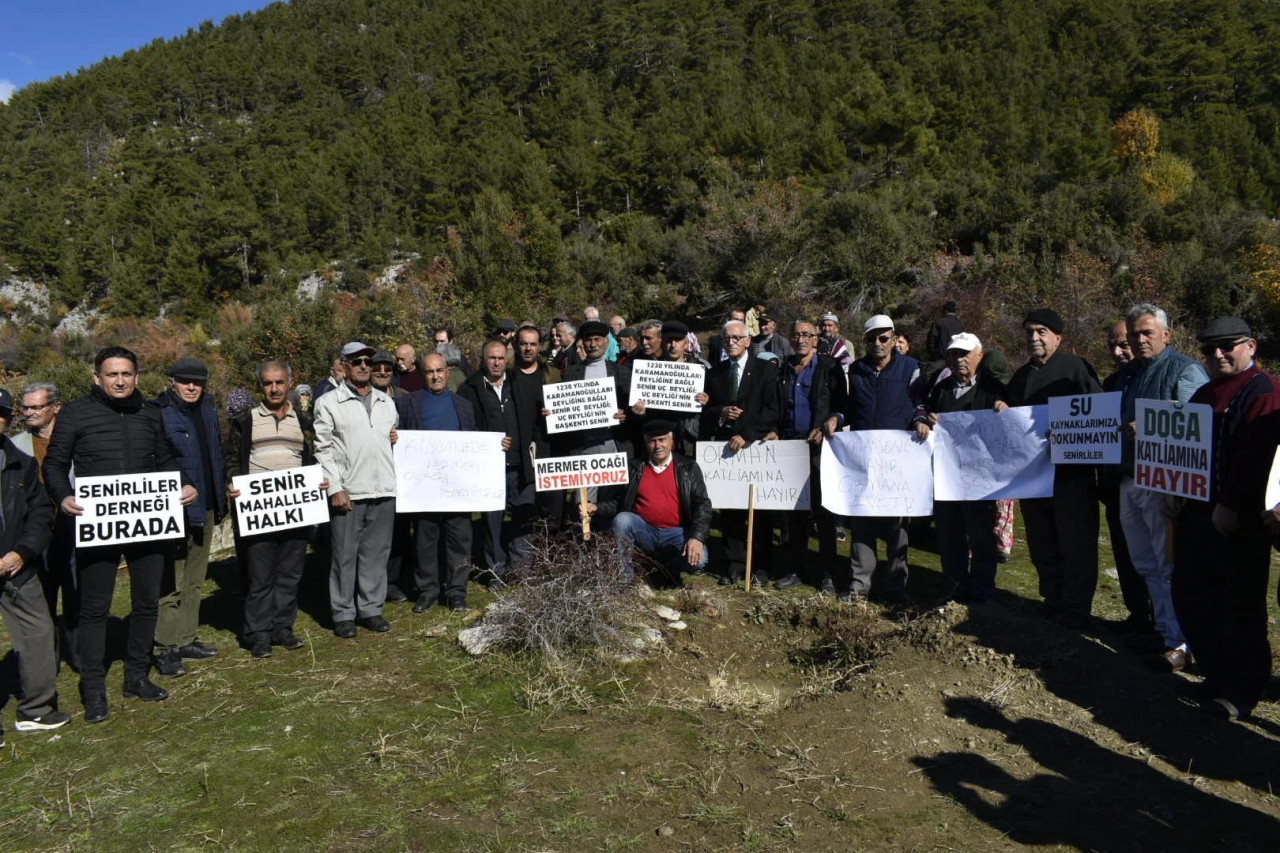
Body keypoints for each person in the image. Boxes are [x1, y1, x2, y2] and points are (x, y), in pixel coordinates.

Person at [44, 346, 198, 722]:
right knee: (94, 609)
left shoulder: (151, 413)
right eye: (111, 374)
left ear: (136, 377)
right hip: (98, 525)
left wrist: (185, 484)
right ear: (97, 378)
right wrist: (64, 497)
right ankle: (94, 689)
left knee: (147, 603)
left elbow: (164, 459)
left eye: (126, 374)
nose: (119, 380)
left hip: (147, 523)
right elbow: (55, 464)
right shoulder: (77, 413)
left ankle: (135, 676)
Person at [1180, 318, 1280, 720]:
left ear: (1250, 346)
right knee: (1195, 597)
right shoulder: (1204, 393)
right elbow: (1182, 447)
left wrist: (1233, 503)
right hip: (1197, 513)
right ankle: (1216, 675)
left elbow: (1259, 456)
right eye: (1209, 348)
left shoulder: (1264, 391)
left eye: (1227, 346)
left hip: (1239, 520)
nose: (1217, 354)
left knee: (1240, 605)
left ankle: (1242, 690)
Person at [1115, 303, 1208, 669]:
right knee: (1146, 562)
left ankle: (1182, 643)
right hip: (1129, 478)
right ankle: (1165, 631)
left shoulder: (1185, 370)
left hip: (1163, 484)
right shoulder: (1130, 374)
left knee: (1167, 563)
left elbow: (1197, 425)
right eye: (1135, 334)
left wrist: (1152, 428)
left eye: (1147, 333)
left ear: (1166, 334)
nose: (1140, 340)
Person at [1001, 308, 1103, 629]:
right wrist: (1002, 408)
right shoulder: (1019, 377)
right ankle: (1053, 598)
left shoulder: (1075, 369)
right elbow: (1009, 419)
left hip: (1072, 474)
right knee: (1042, 539)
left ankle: (1076, 608)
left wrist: (1073, 432)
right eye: (1030, 331)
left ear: (1058, 336)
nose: (1034, 337)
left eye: (1042, 331)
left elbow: (1099, 413)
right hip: (1033, 475)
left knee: (1075, 541)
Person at [226, 360, 322, 658]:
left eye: (279, 382)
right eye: (268, 383)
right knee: (260, 575)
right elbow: (230, 459)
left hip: (296, 510)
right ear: (261, 386)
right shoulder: (246, 421)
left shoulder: (304, 421)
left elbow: (313, 457)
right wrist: (232, 481)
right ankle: (258, 634)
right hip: (259, 512)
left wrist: (317, 480)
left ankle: (283, 628)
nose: (274, 388)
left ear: (289, 383)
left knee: (290, 573)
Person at [831, 314, 921, 603]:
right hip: (863, 458)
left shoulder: (911, 367)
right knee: (862, 524)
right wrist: (837, 416)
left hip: (898, 460)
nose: (878, 343)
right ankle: (859, 587)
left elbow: (921, 402)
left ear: (894, 339)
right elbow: (848, 405)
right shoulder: (856, 370)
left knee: (897, 528)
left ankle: (896, 588)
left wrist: (921, 418)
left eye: (884, 338)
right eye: (872, 339)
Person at [313, 342, 399, 638]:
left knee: (376, 554)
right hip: (349, 490)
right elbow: (322, 450)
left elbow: (392, 440)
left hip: (384, 489)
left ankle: (371, 609)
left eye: (368, 361)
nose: (364, 366)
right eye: (357, 361)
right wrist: (335, 487)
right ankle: (343, 613)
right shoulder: (328, 403)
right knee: (344, 555)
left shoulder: (386, 402)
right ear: (345, 365)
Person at [914, 334, 1006, 603]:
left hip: (980, 477)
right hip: (947, 477)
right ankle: (955, 583)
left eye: (965, 353)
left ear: (980, 355)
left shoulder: (993, 389)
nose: (959, 359)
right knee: (949, 534)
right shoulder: (940, 389)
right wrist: (926, 421)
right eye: (954, 354)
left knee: (980, 535)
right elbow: (925, 415)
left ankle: (983, 588)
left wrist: (1005, 408)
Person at [152, 357, 228, 678]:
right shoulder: (159, 413)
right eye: (185, 380)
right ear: (173, 381)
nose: (192, 386)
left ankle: (186, 639)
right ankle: (164, 647)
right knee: (171, 581)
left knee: (195, 578)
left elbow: (216, 455)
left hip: (208, 506)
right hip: (177, 511)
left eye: (198, 381)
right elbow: (155, 460)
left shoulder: (209, 411)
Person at [0, 410, 69, 734]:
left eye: (0, 414)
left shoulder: (22, 463)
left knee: (40, 631)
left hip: (16, 568)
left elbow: (40, 513)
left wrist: (21, 553)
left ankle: (36, 709)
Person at [702, 319, 781, 585]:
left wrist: (747, 435)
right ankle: (734, 565)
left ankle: (761, 567)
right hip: (726, 450)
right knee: (732, 512)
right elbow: (705, 412)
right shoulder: (715, 373)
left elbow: (773, 411)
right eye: (727, 339)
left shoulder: (765, 370)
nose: (731, 342)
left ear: (748, 341)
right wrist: (721, 412)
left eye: (737, 338)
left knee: (759, 512)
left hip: (755, 448)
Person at [396, 354, 477, 611]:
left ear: (448, 370)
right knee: (425, 539)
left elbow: (473, 442)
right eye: (430, 371)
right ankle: (428, 589)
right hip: (424, 486)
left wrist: (495, 446)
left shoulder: (463, 405)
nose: (435, 376)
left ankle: (457, 592)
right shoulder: (407, 404)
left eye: (439, 370)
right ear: (422, 374)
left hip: (456, 486)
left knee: (459, 539)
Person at [585, 420, 712, 585]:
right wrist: (596, 507)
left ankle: (665, 569)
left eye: (662, 440)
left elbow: (703, 505)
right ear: (646, 444)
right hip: (645, 530)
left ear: (671, 442)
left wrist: (697, 537)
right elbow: (620, 503)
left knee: (700, 560)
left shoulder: (688, 467)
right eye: (652, 441)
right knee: (623, 519)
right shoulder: (635, 467)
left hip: (678, 532)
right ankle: (626, 579)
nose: (657, 445)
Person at [773, 319, 847, 593]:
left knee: (823, 512)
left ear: (816, 339)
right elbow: (775, 405)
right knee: (794, 514)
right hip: (790, 447)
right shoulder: (783, 368)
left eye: (807, 335)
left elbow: (843, 405)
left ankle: (828, 572)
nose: (801, 339)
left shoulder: (829, 368)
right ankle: (796, 568)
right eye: (796, 335)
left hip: (819, 448)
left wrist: (833, 419)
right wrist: (772, 430)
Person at [13, 382, 78, 671]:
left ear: (56, 407)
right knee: (42, 601)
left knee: (77, 595)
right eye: (25, 407)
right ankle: (46, 661)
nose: (29, 413)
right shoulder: (15, 446)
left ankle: (79, 656)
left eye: (36, 407)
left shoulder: (76, 440)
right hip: (34, 535)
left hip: (73, 529)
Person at [1098, 320, 1150, 633]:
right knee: (1124, 551)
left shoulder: (1154, 378)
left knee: (1152, 556)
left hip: (1150, 483)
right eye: (1112, 346)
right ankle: (1137, 615)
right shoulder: (1110, 383)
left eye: (1123, 344)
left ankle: (1159, 622)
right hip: (1115, 483)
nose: (1118, 352)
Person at [459, 340, 517, 581]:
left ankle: (520, 565)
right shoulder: (468, 388)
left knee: (521, 516)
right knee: (492, 520)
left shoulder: (516, 383)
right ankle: (496, 570)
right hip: (487, 467)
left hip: (517, 462)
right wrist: (488, 444)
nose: (496, 362)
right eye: (492, 358)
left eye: (501, 358)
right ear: (483, 360)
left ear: (507, 360)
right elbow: (465, 427)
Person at [630, 320, 710, 456]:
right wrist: (639, 413)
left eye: (678, 340)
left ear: (686, 343)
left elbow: (715, 407)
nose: (673, 345)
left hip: (691, 439)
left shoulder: (702, 369)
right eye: (669, 341)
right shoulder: (648, 371)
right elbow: (640, 415)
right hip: (660, 442)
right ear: (662, 342)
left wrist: (707, 401)